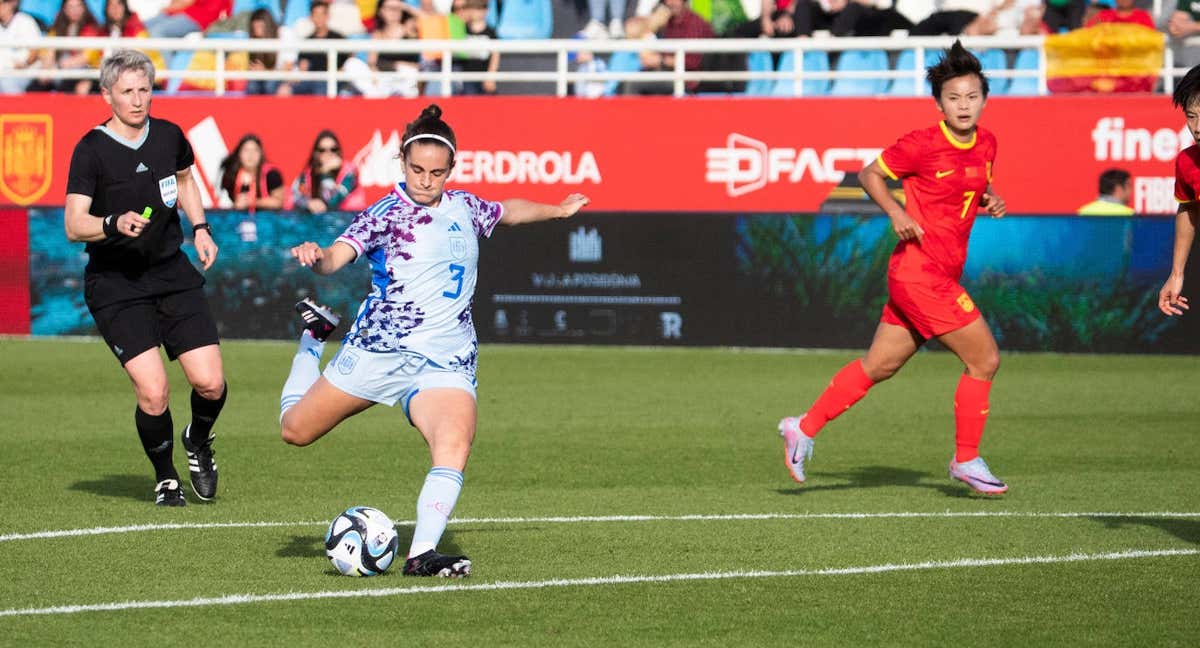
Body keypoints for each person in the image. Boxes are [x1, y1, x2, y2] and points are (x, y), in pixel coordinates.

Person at [278, 104, 590, 577]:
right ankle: (314, 337)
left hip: (446, 361)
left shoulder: (465, 206)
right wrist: (316, 258)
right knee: (295, 431)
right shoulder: (384, 214)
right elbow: (336, 258)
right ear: (402, 164)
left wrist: (559, 211)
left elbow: (509, 212)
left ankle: (421, 553)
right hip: (379, 352)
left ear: (451, 169)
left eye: (436, 172)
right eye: (417, 170)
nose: (426, 180)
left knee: (455, 440)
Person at [778, 41, 1009, 496]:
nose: (963, 105)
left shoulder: (987, 143)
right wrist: (896, 213)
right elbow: (869, 174)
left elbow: (971, 188)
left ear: (983, 98)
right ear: (939, 103)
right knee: (984, 360)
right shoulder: (921, 144)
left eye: (971, 96)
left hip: (937, 273)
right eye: (953, 98)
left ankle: (802, 427)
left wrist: (989, 199)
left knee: (879, 365)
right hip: (920, 273)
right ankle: (966, 460)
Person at [63, 50, 227, 507]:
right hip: (116, 283)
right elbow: (74, 224)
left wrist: (200, 228)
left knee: (211, 383)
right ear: (107, 95)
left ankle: (198, 440)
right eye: (127, 91)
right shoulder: (90, 149)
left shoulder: (171, 135)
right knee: (154, 391)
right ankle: (166, 476)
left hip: (172, 272)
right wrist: (113, 223)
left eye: (144, 89)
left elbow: (186, 179)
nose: (138, 100)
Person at [1158, 64, 1200, 318]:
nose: (1197, 127)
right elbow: (1188, 208)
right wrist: (1176, 274)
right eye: (1192, 116)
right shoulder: (1188, 162)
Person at [288, 130, 367, 213]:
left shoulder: (350, 172)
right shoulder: (308, 174)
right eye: (322, 150)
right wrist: (308, 203)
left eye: (333, 149)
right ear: (315, 153)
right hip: (319, 221)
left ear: (339, 151)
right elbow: (296, 195)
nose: (328, 153)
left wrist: (326, 173)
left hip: (349, 219)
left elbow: (332, 201)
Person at [218, 133, 285, 211]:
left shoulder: (271, 175)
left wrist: (252, 202)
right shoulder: (231, 175)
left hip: (268, 219)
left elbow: (279, 203)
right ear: (239, 154)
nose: (250, 155)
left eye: (255, 150)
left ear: (261, 154)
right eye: (246, 150)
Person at [0, 0, 43, 95]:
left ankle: (15, 109)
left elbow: (35, 50)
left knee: (7, 83)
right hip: (3, 71)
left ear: (9, 5)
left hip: (24, 70)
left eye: (1, 3)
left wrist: (24, 64)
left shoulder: (25, 21)